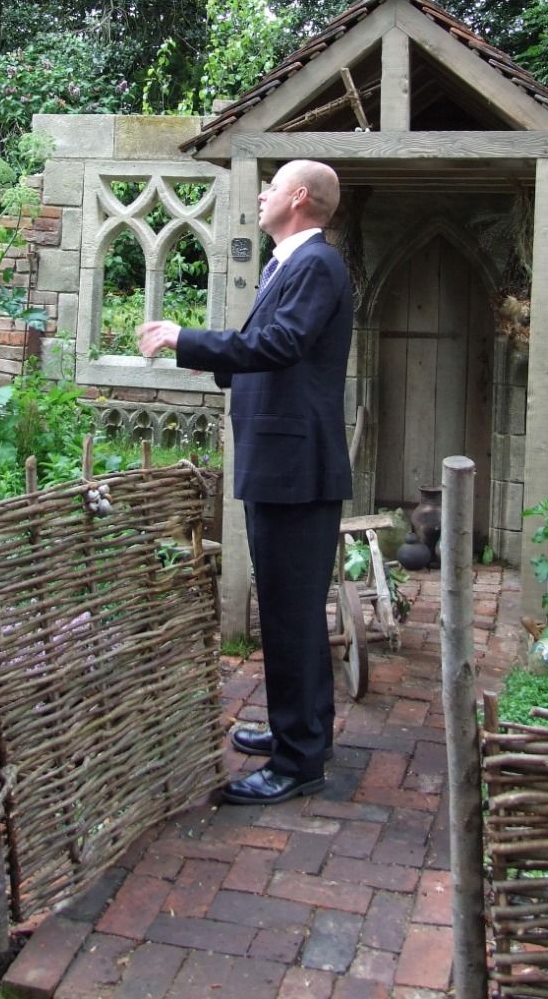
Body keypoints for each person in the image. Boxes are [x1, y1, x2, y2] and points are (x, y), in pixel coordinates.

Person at [137, 159, 353, 805]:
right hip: (281, 462)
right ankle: (304, 731)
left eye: (271, 186)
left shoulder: (316, 265)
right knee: (292, 611)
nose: (260, 195)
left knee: (289, 616)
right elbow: (273, 350)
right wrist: (225, 366)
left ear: (299, 197)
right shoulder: (287, 264)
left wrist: (187, 340)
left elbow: (281, 343)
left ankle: (297, 762)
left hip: (295, 468)